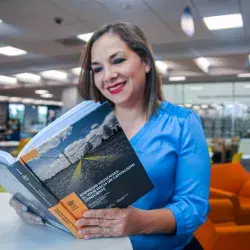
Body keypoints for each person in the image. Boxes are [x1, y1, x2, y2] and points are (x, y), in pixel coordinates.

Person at [9, 22, 210, 249]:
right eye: (98, 69)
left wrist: (140, 222)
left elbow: (194, 208)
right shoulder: (86, 127)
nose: (108, 76)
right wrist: (36, 207)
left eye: (118, 61)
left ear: (145, 62)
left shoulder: (182, 123)